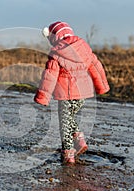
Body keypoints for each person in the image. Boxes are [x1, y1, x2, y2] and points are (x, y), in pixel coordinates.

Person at [34, 21, 110, 165]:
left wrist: (42, 97)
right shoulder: (84, 48)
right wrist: (102, 87)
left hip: (66, 95)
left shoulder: (56, 53)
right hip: (83, 95)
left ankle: (68, 155)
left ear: (54, 37)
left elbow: (49, 76)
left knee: (64, 124)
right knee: (69, 119)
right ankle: (79, 139)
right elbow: (96, 68)